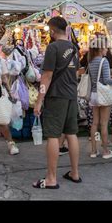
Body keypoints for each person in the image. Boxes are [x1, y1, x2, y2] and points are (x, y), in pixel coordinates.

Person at [33, 17, 81, 189]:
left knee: (53, 135)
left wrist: (39, 101)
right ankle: (75, 173)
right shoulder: (74, 48)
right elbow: (76, 73)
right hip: (71, 96)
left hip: (55, 96)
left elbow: (46, 76)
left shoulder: (53, 47)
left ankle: (51, 179)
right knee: (71, 133)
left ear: (52, 31)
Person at [87, 38, 112, 159]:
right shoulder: (103, 61)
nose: (107, 49)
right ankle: (105, 151)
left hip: (94, 95)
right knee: (104, 124)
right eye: (105, 47)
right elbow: (106, 80)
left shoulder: (90, 61)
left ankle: (94, 151)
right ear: (100, 48)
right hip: (103, 95)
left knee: (94, 124)